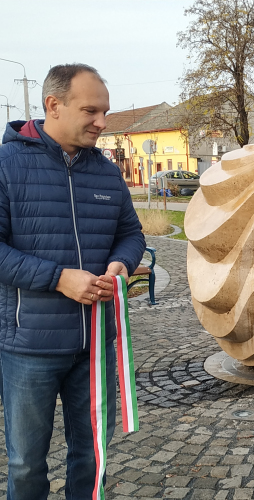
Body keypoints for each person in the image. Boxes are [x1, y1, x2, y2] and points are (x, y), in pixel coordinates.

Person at [0, 64, 146, 499]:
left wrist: (121, 263)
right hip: (30, 348)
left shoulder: (105, 171)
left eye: (105, 111)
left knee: (92, 456)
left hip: (96, 345)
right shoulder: (7, 165)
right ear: (53, 105)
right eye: (91, 111)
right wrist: (58, 278)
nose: (102, 122)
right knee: (26, 465)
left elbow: (131, 233)